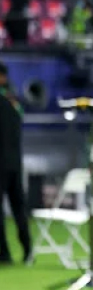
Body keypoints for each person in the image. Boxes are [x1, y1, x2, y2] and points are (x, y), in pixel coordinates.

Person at [0, 63, 32, 266]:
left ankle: (3, 254)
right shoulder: (14, 101)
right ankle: (28, 249)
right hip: (15, 162)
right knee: (19, 207)